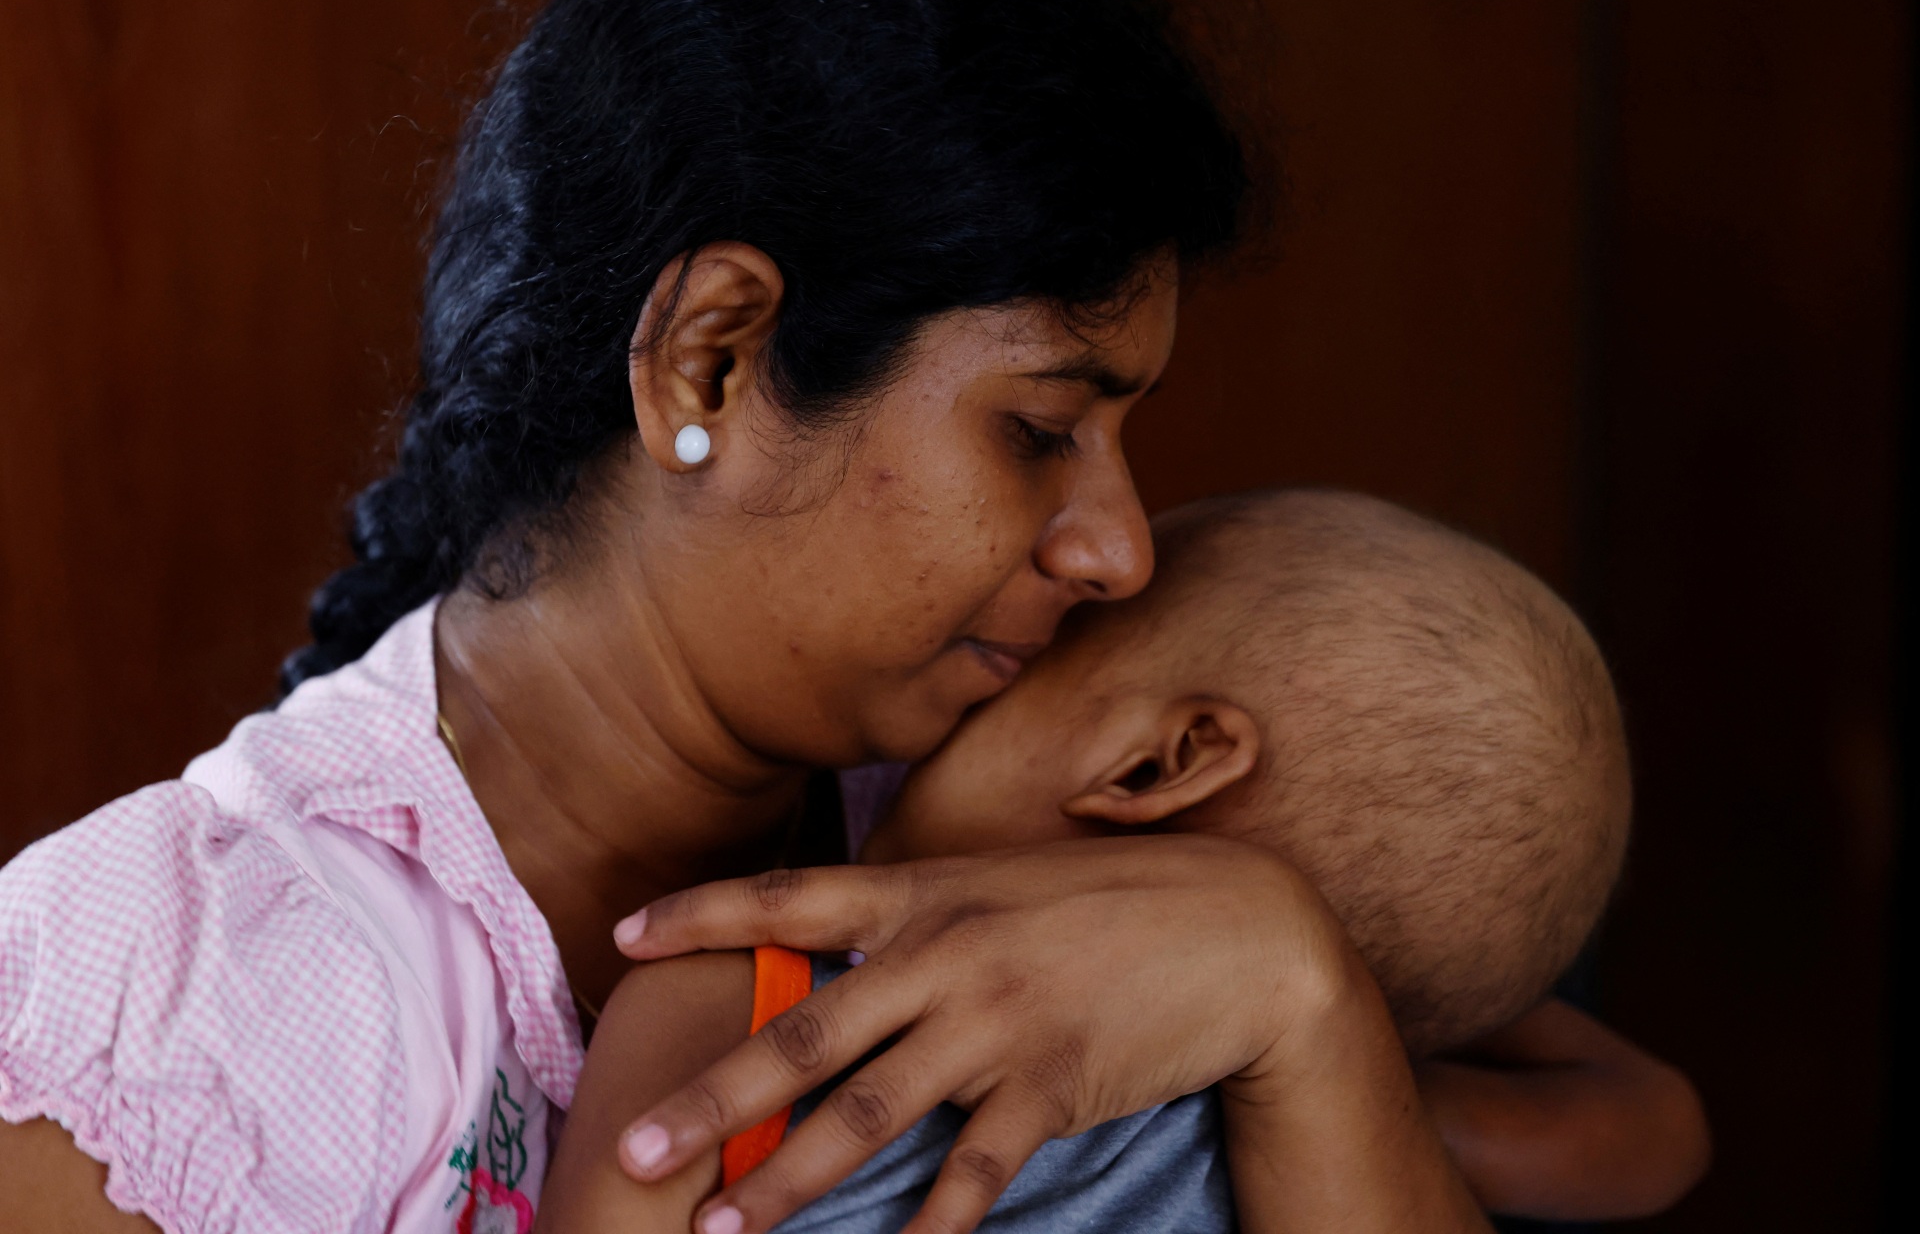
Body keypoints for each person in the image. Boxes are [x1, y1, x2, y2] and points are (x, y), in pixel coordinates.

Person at [1, 0, 1494, 1234]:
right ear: (710, 356)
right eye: (1040, 431)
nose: (1118, 549)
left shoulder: (1034, 810)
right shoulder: (159, 1006)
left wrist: (1302, 998)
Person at [539, 490, 1709, 1233]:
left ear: (1160, 768)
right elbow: (1652, 1125)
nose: (1011, 638)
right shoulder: (1349, 1136)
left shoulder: (741, 1015)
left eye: (1052, 646)